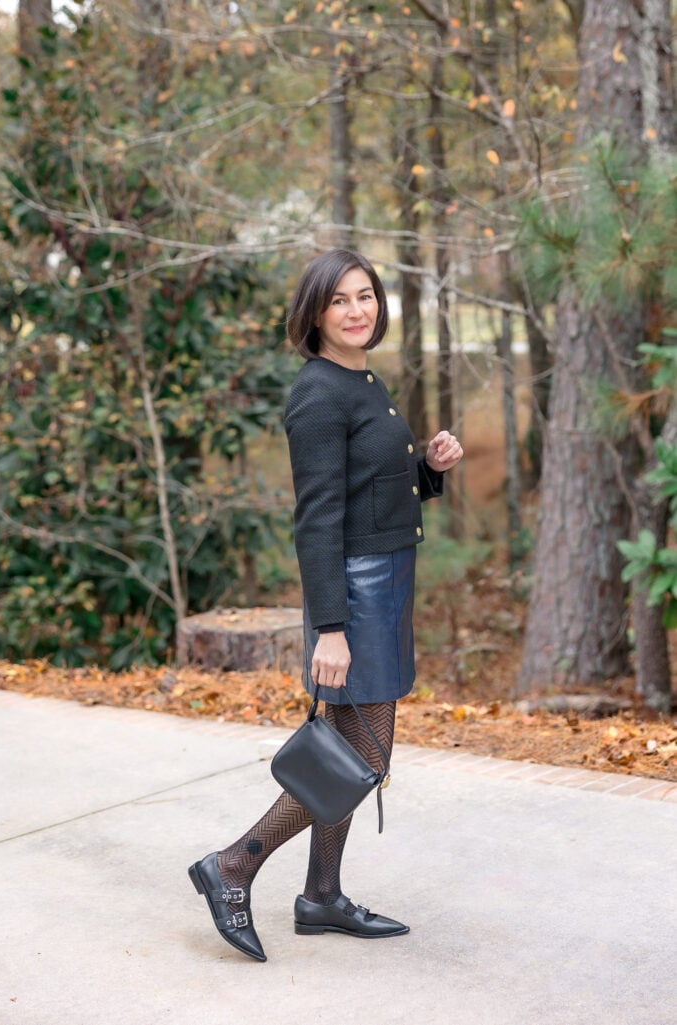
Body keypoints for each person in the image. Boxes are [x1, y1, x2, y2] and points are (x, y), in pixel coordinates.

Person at [188, 249, 463, 963]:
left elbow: (373, 488)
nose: (356, 310)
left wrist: (426, 469)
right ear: (314, 313)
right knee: (363, 752)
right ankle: (234, 864)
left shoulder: (363, 380)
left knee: (348, 746)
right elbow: (316, 519)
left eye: (365, 295)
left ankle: (320, 896)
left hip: (385, 581)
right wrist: (332, 628)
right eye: (339, 300)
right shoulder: (316, 392)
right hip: (357, 590)